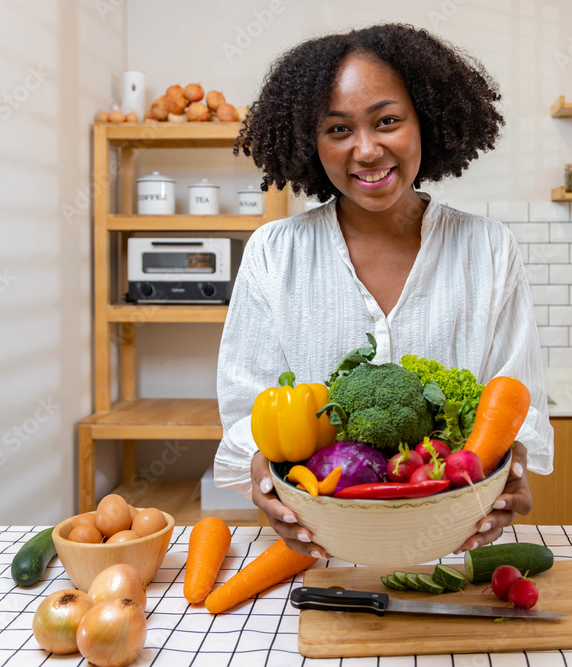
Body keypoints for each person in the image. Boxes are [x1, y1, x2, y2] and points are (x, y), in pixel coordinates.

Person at [214, 23, 553, 559]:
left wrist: (512, 471)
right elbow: (246, 406)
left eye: (387, 121)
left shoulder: (488, 248)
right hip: (319, 549)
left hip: (452, 540)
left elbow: (517, 397)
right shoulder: (274, 252)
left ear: (427, 122)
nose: (367, 150)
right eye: (338, 130)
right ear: (310, 142)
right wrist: (262, 477)